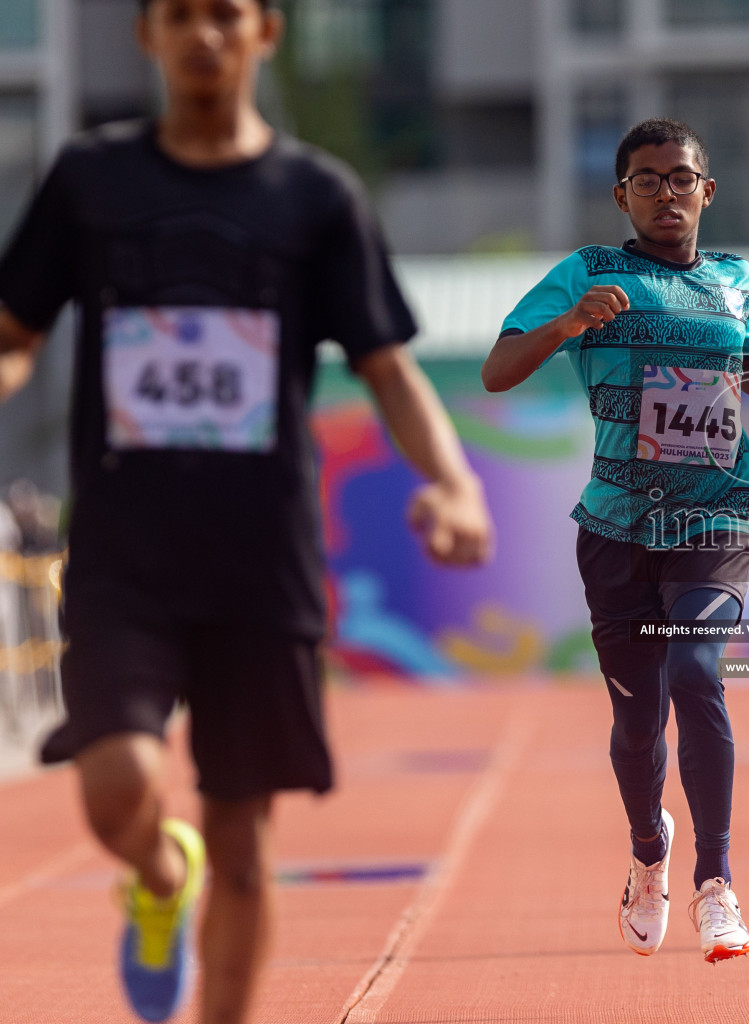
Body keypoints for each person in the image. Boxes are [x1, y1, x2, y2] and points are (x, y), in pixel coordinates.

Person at [0, 2, 493, 1021]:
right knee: (116, 789)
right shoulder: (92, 181)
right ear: (146, 35)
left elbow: (387, 368)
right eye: (178, 15)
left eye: (224, 13)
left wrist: (454, 479)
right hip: (123, 554)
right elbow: (14, 332)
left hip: (261, 558)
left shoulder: (316, 197)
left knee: (244, 835)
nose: (202, 35)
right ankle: (156, 871)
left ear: (266, 31)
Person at [482, 118, 749, 963]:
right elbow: (498, 370)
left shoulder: (735, 278)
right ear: (621, 195)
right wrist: (567, 325)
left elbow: (745, 359)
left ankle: (718, 884)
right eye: (647, 179)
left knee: (696, 669)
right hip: (613, 527)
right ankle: (649, 852)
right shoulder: (589, 273)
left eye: (681, 178)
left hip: (714, 513)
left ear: (707, 191)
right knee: (637, 729)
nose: (665, 192)